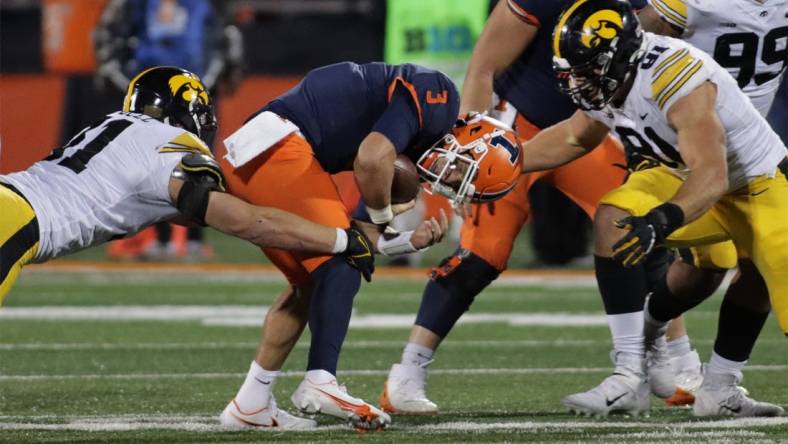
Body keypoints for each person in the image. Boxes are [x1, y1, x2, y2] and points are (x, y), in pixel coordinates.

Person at [377, 0, 690, 416]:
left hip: (590, 126)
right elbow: (484, 65)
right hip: (520, 127)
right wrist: (468, 152)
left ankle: (675, 361)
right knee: (482, 255)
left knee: (637, 230)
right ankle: (408, 372)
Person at [217, 61, 522, 430]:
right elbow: (370, 160)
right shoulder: (438, 96)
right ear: (471, 140)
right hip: (276, 145)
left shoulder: (402, 146)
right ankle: (320, 382)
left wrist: (409, 239)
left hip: (259, 151)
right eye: (461, 173)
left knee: (310, 285)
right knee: (343, 258)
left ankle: (251, 403)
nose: (449, 180)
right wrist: (382, 219)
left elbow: (364, 235)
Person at [522, 0, 785, 417]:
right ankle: (628, 374)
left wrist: (662, 221)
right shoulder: (610, 74)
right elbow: (575, 136)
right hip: (678, 174)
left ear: (619, 57)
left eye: (586, 70)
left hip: (755, 181)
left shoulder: (677, 77)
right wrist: (508, 160)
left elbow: (713, 176)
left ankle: (720, 387)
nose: (578, 82)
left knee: (763, 270)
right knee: (615, 219)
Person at [0, 66, 385, 305]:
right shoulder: (170, 145)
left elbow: (203, 216)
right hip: (17, 220)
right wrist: (340, 239)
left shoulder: (115, 128)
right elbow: (244, 222)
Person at [606, 0, 788, 406]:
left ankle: (720, 385)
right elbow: (628, 45)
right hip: (684, 156)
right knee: (702, 267)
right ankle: (644, 342)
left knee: (759, 264)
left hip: (749, 154)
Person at [94, 0, 244, 260]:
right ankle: (160, 238)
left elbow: (225, 37)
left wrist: (211, 80)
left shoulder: (206, 4)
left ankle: (195, 239)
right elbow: (111, 33)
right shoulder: (137, 4)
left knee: (201, 164)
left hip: (196, 91)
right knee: (154, 164)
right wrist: (125, 78)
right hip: (154, 95)